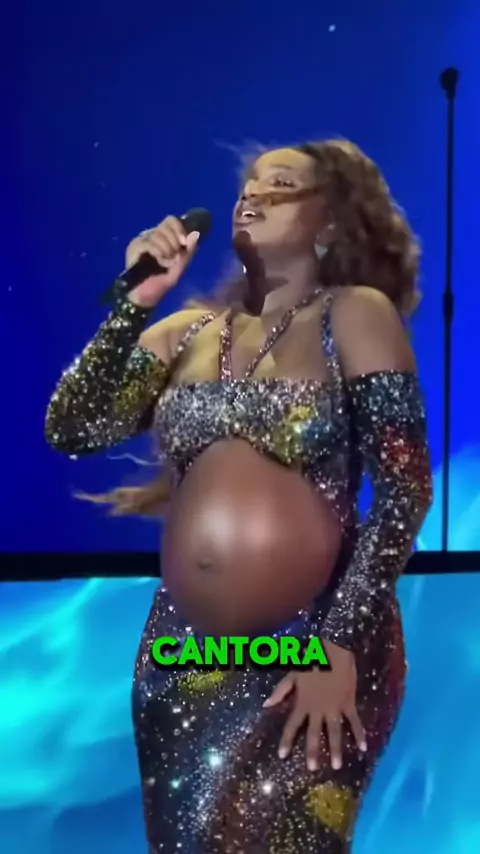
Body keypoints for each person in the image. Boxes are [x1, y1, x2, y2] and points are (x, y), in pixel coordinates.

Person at [45, 139, 433, 853]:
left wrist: (339, 644)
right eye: (247, 184)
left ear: (330, 221)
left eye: (278, 183)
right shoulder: (186, 332)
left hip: (317, 649)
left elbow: (405, 489)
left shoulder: (353, 315)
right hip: (183, 659)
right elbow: (74, 427)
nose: (251, 194)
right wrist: (135, 303)